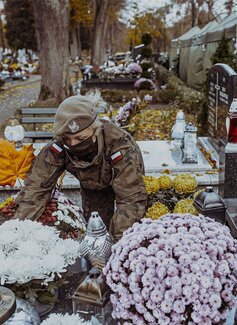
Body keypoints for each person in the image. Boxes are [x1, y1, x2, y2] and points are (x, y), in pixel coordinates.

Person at [14, 92, 147, 242]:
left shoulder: (121, 145)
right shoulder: (59, 146)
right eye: (67, 139)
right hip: (92, 190)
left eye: (81, 138)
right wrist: (17, 232)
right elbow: (35, 188)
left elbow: (131, 199)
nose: (73, 144)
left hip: (125, 183)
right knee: (94, 233)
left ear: (96, 129)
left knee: (124, 235)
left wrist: (119, 247)